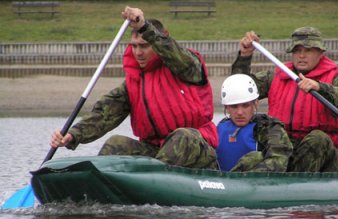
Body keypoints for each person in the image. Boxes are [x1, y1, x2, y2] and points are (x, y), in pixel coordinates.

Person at [50, 7, 218, 169]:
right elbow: (103, 115)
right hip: (156, 152)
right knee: (115, 144)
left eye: (144, 46)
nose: (138, 52)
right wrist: (72, 135)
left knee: (183, 136)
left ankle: (154, 182)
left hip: (196, 148)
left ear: (156, 43)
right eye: (134, 46)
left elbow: (174, 52)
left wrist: (145, 27)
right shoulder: (133, 83)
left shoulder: (187, 66)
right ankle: (100, 188)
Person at [232, 27, 338, 172]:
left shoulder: (336, 79)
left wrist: (321, 88)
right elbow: (239, 87)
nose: (301, 55)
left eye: (308, 50)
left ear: (320, 53)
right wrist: (244, 56)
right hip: (284, 151)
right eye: (297, 50)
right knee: (254, 157)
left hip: (323, 156)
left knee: (317, 139)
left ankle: (298, 186)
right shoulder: (277, 77)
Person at [216, 74, 293, 172]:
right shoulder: (219, 128)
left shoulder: (270, 128)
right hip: (220, 182)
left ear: (256, 104)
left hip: (253, 182)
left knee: (255, 157)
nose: (240, 112)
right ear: (227, 107)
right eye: (234, 106)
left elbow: (278, 162)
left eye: (245, 106)